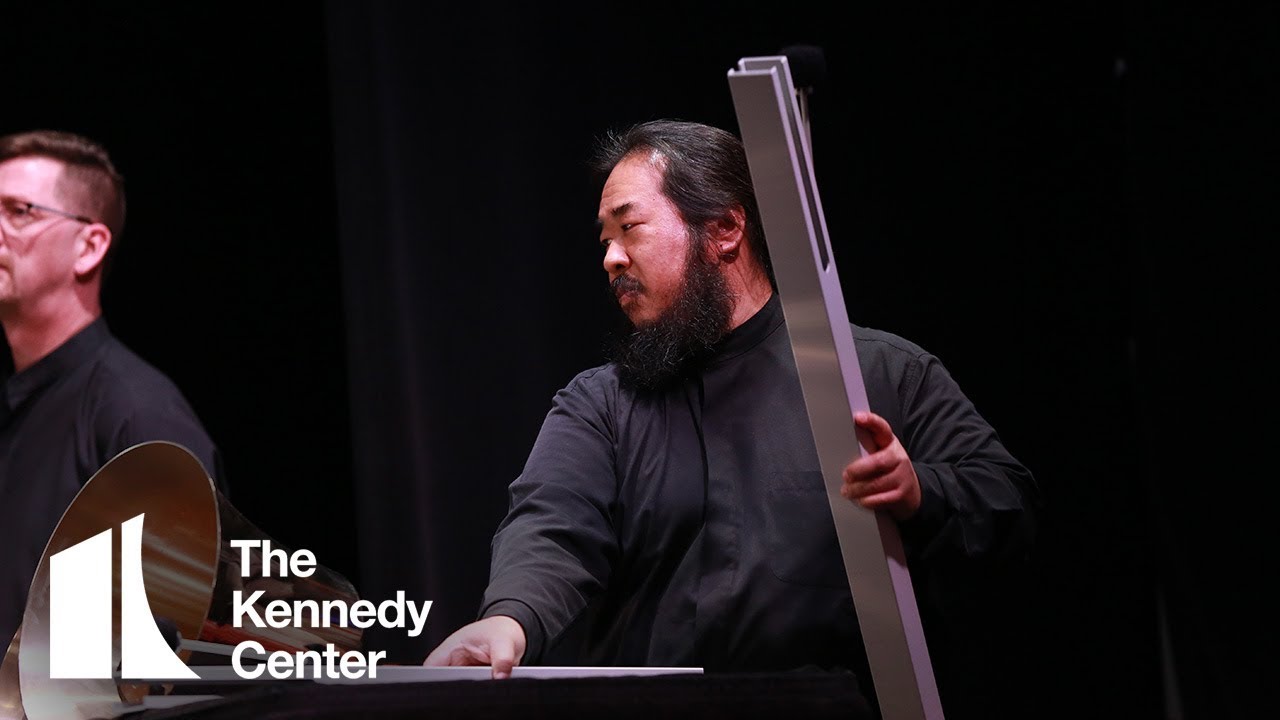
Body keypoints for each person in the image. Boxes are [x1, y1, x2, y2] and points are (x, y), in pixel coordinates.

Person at [424, 120, 1039, 708]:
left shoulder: (877, 375)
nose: (611, 258)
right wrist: (508, 620)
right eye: (604, 239)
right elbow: (552, 525)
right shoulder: (601, 404)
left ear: (724, 228)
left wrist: (918, 492)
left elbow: (1006, 500)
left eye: (629, 228)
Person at [0, 129, 224, 648]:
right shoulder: (18, 404)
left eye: (19, 211)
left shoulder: (136, 414)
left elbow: (177, 642)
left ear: (89, 247)